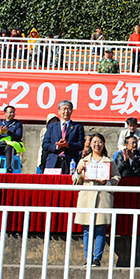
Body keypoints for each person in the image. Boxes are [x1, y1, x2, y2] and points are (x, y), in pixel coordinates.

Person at [73, 133, 120, 267]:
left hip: (103, 197)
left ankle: (97, 259)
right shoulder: (84, 160)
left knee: (100, 229)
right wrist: (78, 172)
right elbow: (75, 180)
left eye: (100, 142)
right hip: (87, 198)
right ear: (90, 144)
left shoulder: (109, 161)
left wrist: (107, 182)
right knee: (87, 230)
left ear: (104, 144)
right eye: (94, 142)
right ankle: (88, 258)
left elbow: (117, 177)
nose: (97, 145)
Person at [42, 100, 85, 174]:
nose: (66, 111)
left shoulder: (78, 127)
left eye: (69, 109)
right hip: (53, 161)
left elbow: (80, 145)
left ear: (72, 111)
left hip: (70, 162)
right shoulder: (52, 127)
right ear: (59, 111)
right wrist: (57, 146)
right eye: (64, 109)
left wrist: (68, 145)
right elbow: (45, 145)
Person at [0, 105, 24, 174]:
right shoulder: (0, 124)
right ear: (5, 114)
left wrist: (8, 132)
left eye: (13, 112)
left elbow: (18, 137)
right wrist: (0, 133)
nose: (12, 114)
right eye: (10, 112)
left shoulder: (17, 124)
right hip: (1, 145)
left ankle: (9, 170)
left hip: (11, 147)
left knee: (8, 148)